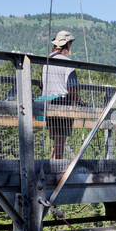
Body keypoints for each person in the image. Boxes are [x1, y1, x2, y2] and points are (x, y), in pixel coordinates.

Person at [39, 30, 80, 159]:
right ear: (67, 44)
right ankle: (58, 165)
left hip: (47, 102)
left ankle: (53, 161)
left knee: (55, 138)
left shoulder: (46, 61)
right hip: (62, 102)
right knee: (60, 139)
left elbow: (42, 84)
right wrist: (79, 101)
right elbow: (72, 88)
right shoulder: (68, 63)